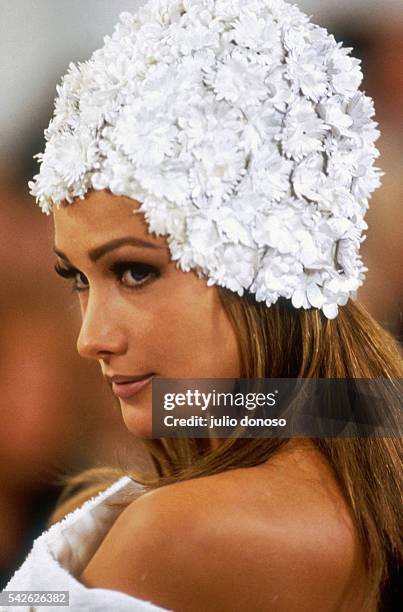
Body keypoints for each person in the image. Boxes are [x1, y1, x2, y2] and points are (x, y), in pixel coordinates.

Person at [4, 1, 402, 610]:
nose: (91, 338)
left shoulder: (179, 533)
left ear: (264, 261)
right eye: (78, 280)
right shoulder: (366, 451)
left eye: (135, 271)